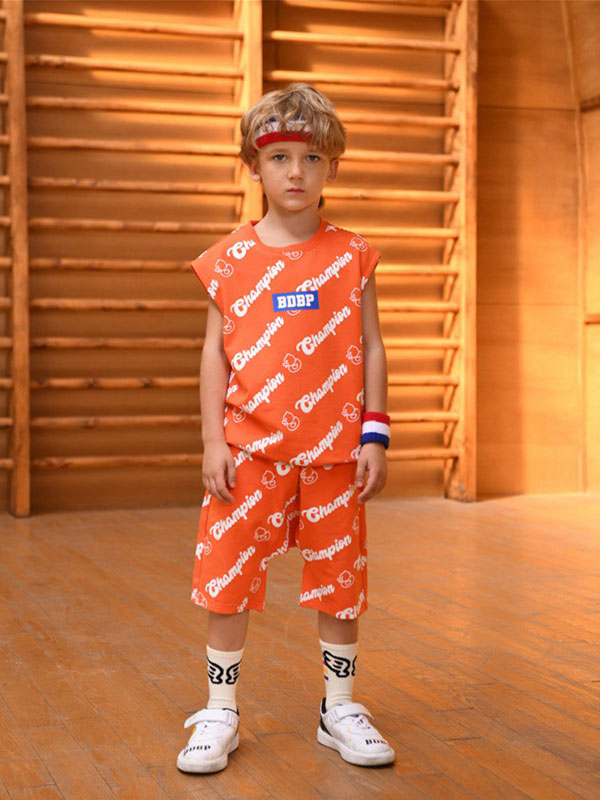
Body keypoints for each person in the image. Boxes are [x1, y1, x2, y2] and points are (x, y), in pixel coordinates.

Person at [177, 82, 394, 774]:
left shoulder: (353, 255)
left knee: (340, 580)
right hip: (249, 453)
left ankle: (340, 707)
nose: (296, 172)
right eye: (279, 158)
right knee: (226, 578)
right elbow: (214, 354)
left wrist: (374, 433)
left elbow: (373, 345)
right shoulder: (227, 260)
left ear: (332, 166)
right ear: (253, 165)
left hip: (335, 454)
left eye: (312, 158)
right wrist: (214, 440)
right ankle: (220, 709)